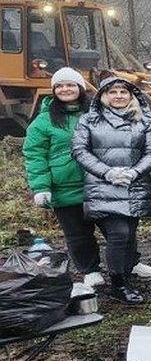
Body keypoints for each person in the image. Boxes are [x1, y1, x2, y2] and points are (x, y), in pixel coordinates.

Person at [71, 76, 151, 304]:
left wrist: (135, 172)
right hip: (102, 186)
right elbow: (80, 151)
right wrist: (107, 173)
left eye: (123, 92)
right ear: (103, 95)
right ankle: (118, 283)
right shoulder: (89, 120)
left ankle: (126, 277)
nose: (118, 96)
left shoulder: (144, 120)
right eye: (113, 92)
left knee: (129, 234)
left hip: (134, 185)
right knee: (118, 234)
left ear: (131, 96)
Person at [23, 68, 103, 291]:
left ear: (80, 88)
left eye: (70, 85)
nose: (65, 89)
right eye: (60, 86)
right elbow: (35, 155)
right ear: (54, 90)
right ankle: (90, 270)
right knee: (78, 233)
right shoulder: (43, 121)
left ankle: (130, 263)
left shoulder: (96, 114)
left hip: (99, 183)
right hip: (64, 187)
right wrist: (41, 187)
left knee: (117, 229)